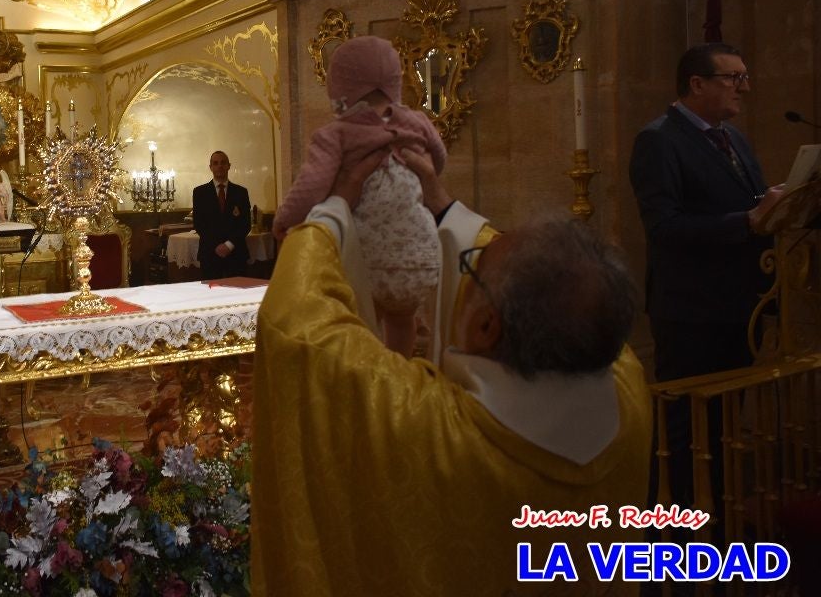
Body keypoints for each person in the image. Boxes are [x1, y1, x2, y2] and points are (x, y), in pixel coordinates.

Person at [252, 147, 652, 595]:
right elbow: (559, 283)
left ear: (486, 326)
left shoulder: (425, 426)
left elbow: (299, 325)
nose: (471, 263)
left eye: (472, 268)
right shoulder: (626, 386)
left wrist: (330, 212)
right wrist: (445, 209)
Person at [629, 42, 785, 510]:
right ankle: (666, 544)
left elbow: (753, 207)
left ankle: (714, 527)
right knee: (684, 434)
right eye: (733, 78)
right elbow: (665, 228)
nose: (745, 87)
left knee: (720, 432)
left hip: (738, 305)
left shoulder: (733, 138)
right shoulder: (659, 139)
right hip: (692, 312)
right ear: (697, 84)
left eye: (744, 76)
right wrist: (748, 222)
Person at [272, 35, 446, 357]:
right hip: (420, 255)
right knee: (401, 321)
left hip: (366, 258)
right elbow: (438, 159)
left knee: (364, 325)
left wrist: (285, 219)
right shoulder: (418, 121)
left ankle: (373, 383)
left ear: (341, 85)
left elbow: (311, 186)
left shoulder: (335, 134)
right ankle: (401, 371)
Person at [191, 151, 251, 279]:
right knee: (212, 296)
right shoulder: (199, 192)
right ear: (210, 167)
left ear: (229, 166)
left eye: (223, 163)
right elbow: (199, 224)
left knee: (237, 295)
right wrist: (216, 246)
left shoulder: (241, 192)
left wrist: (229, 245)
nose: (220, 166)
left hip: (236, 253)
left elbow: (245, 224)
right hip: (210, 253)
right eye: (216, 163)